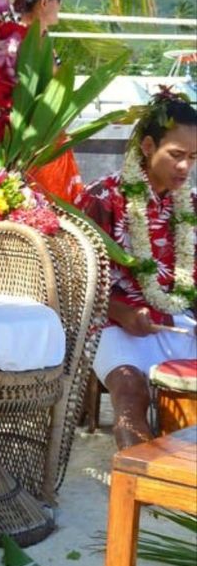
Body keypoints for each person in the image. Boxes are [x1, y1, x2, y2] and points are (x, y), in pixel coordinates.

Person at [81, 93, 197, 449]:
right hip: (112, 324)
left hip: (176, 320)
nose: (185, 168)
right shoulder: (103, 197)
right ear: (148, 146)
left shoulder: (190, 205)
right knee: (131, 394)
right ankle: (145, 490)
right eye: (176, 155)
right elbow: (78, 279)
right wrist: (122, 312)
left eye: (193, 158)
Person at [0, 0, 84, 204]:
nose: (60, 5)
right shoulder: (27, 44)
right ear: (46, 1)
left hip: (45, 144)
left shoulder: (26, 40)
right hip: (36, 149)